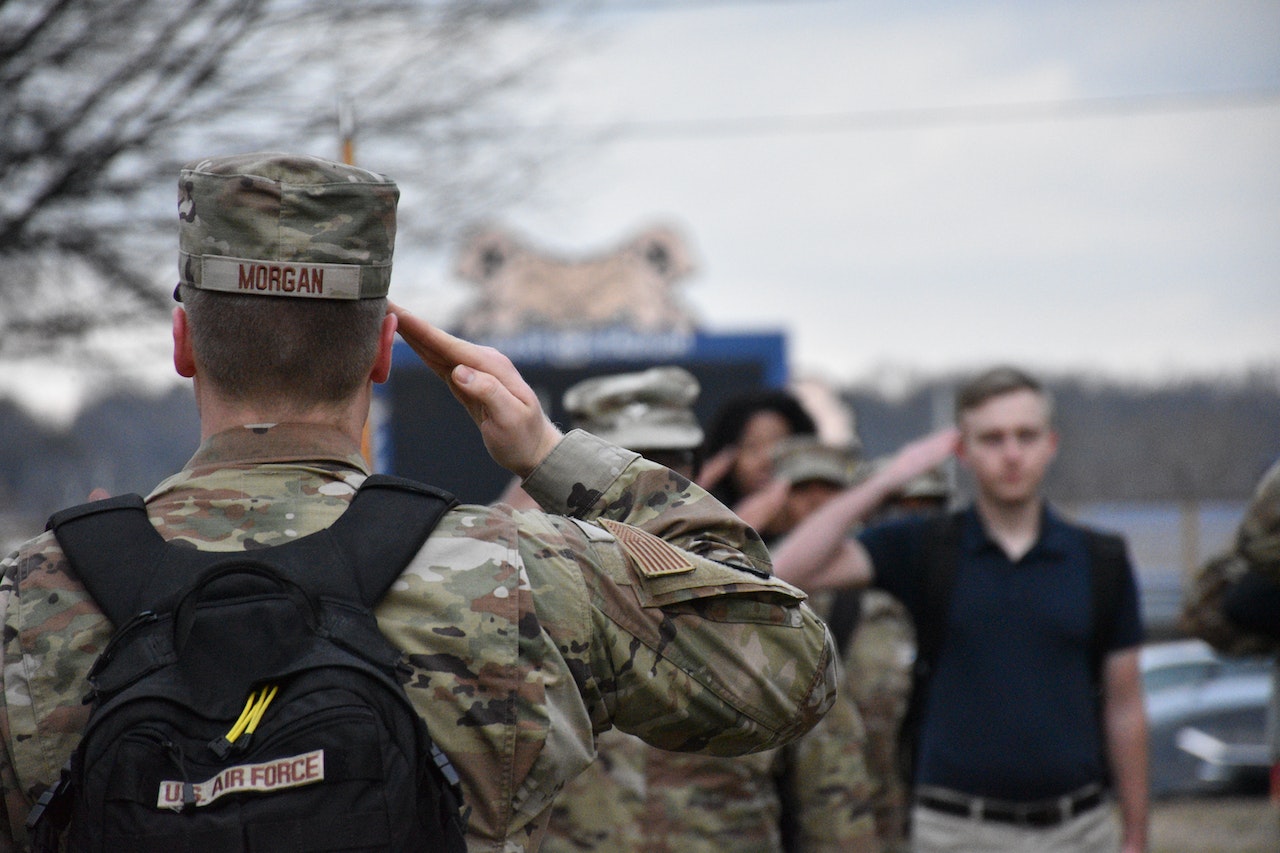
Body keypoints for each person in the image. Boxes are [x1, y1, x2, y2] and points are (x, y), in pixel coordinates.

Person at [0, 153, 840, 852]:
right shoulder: (521, 571)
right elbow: (788, 665)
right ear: (382, 352)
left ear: (183, 343)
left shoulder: (28, 596)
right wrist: (554, 455)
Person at [773, 366, 1149, 853]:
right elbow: (788, 567)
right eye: (991, 439)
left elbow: (1126, 707)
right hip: (955, 831)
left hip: (1079, 829)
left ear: (1051, 443)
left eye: (1026, 436)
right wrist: (888, 479)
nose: (1011, 454)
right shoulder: (926, 548)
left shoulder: (1101, 559)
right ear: (963, 451)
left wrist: (1136, 834)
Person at [543, 368, 876, 853]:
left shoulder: (753, 611)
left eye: (663, 465)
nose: (638, 487)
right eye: (613, 467)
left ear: (693, 475)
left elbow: (835, 801)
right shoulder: (526, 600)